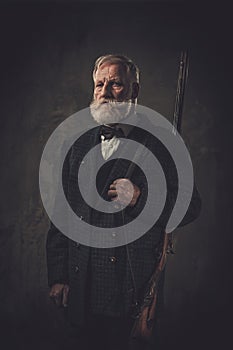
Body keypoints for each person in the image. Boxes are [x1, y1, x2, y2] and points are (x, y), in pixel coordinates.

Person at [46, 54, 201, 350]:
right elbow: (61, 216)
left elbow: (191, 206)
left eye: (115, 84)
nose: (104, 92)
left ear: (134, 91)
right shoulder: (77, 144)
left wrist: (142, 198)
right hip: (81, 288)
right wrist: (58, 276)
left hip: (131, 286)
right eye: (99, 84)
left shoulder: (161, 143)